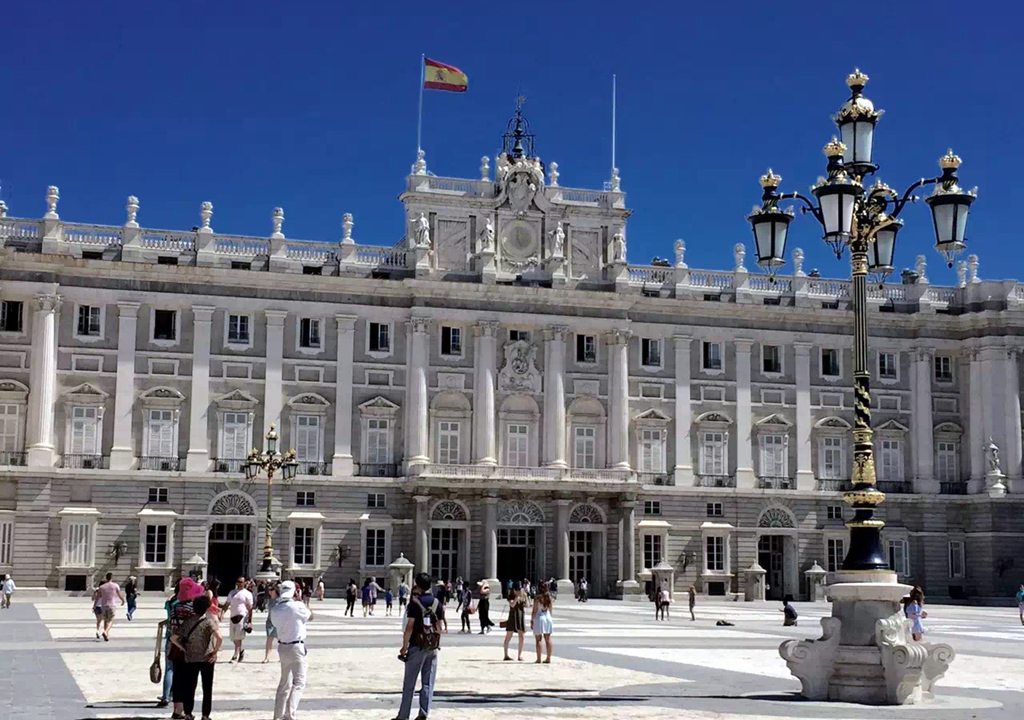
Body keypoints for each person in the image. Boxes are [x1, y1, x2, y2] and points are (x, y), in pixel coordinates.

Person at [395, 572, 440, 720]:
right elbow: (439, 627)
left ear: (417, 585)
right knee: (428, 682)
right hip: (432, 646)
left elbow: (409, 627)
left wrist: (404, 647)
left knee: (409, 683)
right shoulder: (436, 602)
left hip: (416, 645)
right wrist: (436, 643)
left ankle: (403, 716)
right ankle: (423, 713)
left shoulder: (415, 603)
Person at [170, 593, 222, 720]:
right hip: (207, 658)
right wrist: (215, 652)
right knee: (207, 687)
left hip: (191, 658)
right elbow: (220, 637)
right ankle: (205, 715)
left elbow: (173, 638)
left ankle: (188, 713)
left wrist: (184, 648)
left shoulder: (188, 622)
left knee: (190, 686)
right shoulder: (209, 622)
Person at [271, 580, 313, 720]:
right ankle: (289, 714)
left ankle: (278, 715)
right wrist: (301, 601)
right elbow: (311, 616)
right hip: (296, 646)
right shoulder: (297, 606)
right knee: (299, 682)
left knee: (284, 682)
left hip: (282, 647)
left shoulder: (275, 609)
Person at [169, 577, 205, 719]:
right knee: (189, 680)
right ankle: (185, 709)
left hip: (176, 647)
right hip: (190, 647)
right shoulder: (193, 609)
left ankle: (177, 710)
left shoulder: (175, 607)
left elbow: (172, 628)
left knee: (177, 679)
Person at [226, 576, 254, 663]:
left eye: (241, 582)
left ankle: (235, 655)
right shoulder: (232, 592)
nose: (239, 583)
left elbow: (250, 608)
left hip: (242, 616)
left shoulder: (247, 594)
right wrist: (222, 612)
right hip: (232, 616)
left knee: (238, 637)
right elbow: (227, 603)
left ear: (245, 583)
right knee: (233, 637)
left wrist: (250, 620)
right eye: (238, 581)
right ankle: (241, 651)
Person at [503, 581, 527, 661]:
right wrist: (516, 598)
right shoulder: (511, 596)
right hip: (513, 616)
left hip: (520, 616)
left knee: (521, 636)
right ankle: (506, 655)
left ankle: (520, 655)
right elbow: (512, 605)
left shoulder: (523, 595)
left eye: (519, 589)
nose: (518, 591)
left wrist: (525, 597)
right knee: (508, 636)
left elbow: (527, 605)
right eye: (517, 590)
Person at [98, 572, 125, 641]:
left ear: (106, 578)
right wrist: (123, 600)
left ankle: (106, 635)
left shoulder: (102, 587)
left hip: (104, 605)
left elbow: (99, 596)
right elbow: (119, 594)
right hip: (112, 604)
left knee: (105, 619)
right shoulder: (115, 585)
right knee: (111, 620)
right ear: (112, 578)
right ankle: (106, 631)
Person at [531, 582, 554, 663]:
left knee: (538, 639)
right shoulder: (549, 598)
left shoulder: (537, 598)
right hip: (548, 617)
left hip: (539, 617)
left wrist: (532, 620)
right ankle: (548, 658)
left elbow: (534, 611)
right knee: (548, 639)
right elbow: (551, 609)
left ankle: (539, 658)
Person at [262, 582, 281, 664]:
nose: (270, 591)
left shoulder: (280, 600)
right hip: (270, 622)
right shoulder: (270, 600)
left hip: (278, 622)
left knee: (280, 640)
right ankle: (267, 657)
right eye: (269, 589)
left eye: (271, 590)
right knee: (269, 640)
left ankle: (281, 656)